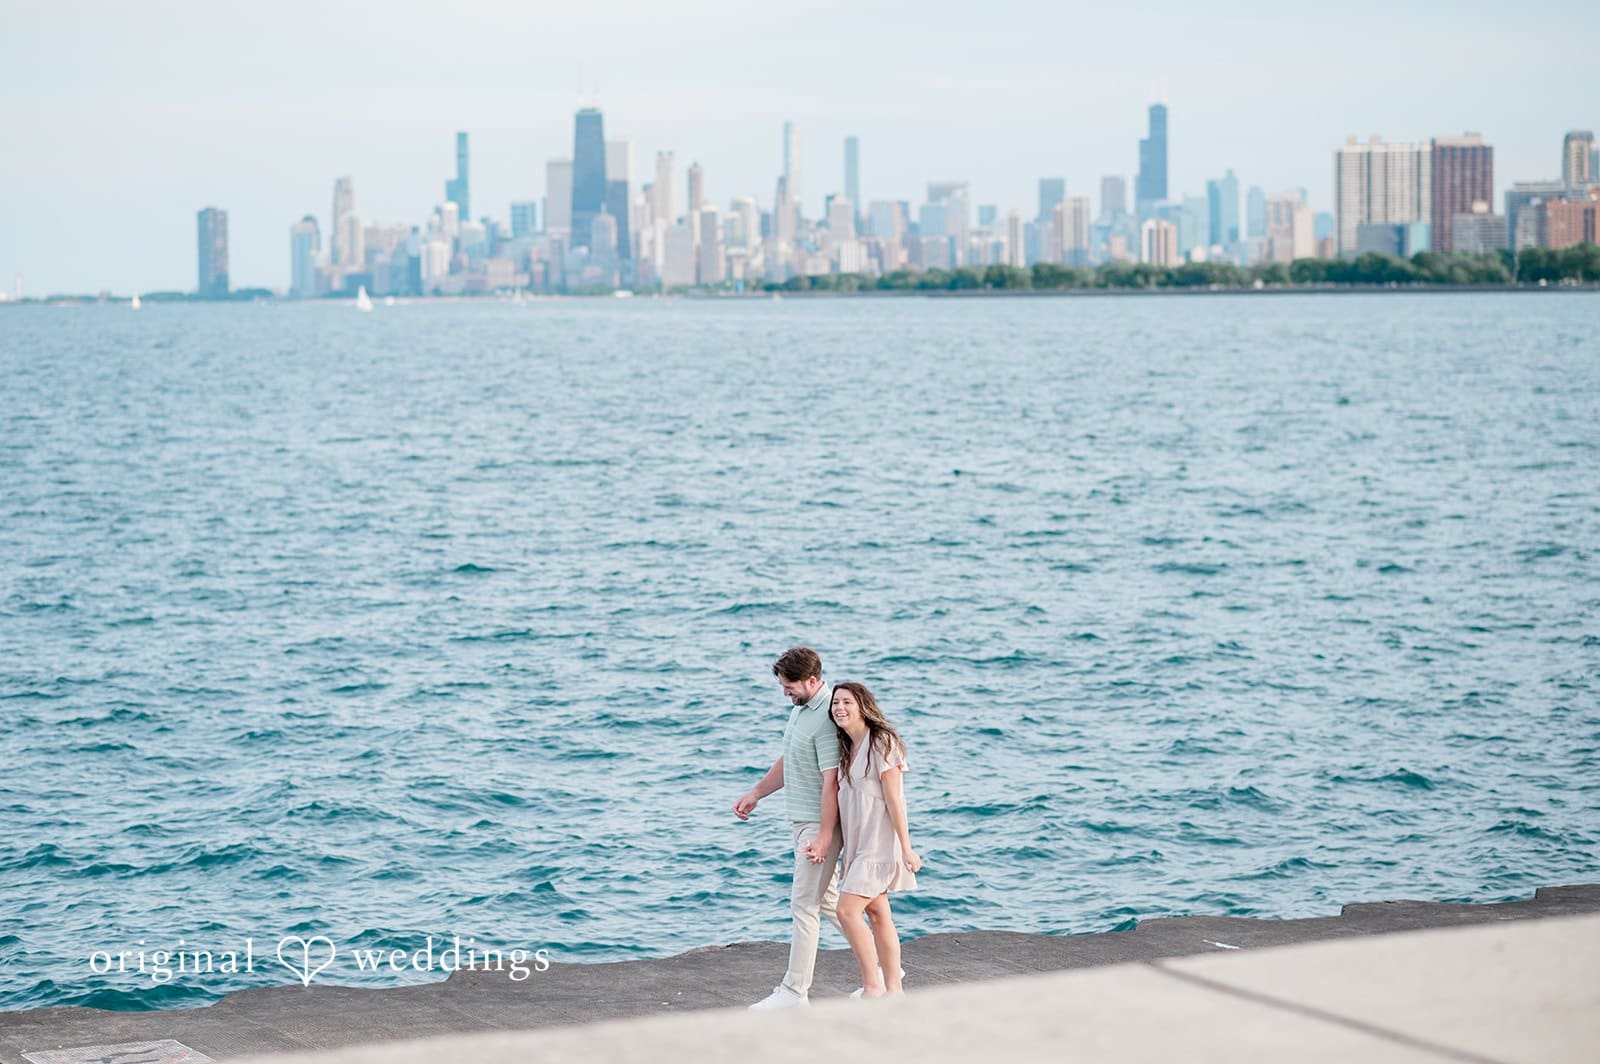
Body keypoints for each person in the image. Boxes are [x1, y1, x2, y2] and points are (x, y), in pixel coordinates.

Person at [733, 646, 844, 1010]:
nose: (784, 692)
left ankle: (795, 993)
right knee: (829, 903)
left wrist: (825, 836)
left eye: (789, 685)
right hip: (804, 821)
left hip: (817, 824)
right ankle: (883, 968)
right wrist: (757, 793)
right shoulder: (802, 711)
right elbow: (791, 757)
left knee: (803, 906)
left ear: (812, 680)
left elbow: (832, 782)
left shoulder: (826, 718)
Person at [829, 681, 921, 999]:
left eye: (847, 702)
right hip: (857, 846)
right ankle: (894, 990)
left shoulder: (882, 742)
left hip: (880, 845)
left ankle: (873, 986)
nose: (840, 707)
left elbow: (895, 800)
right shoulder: (844, 748)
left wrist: (906, 847)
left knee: (846, 911)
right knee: (879, 912)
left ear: (863, 706)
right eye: (835, 703)